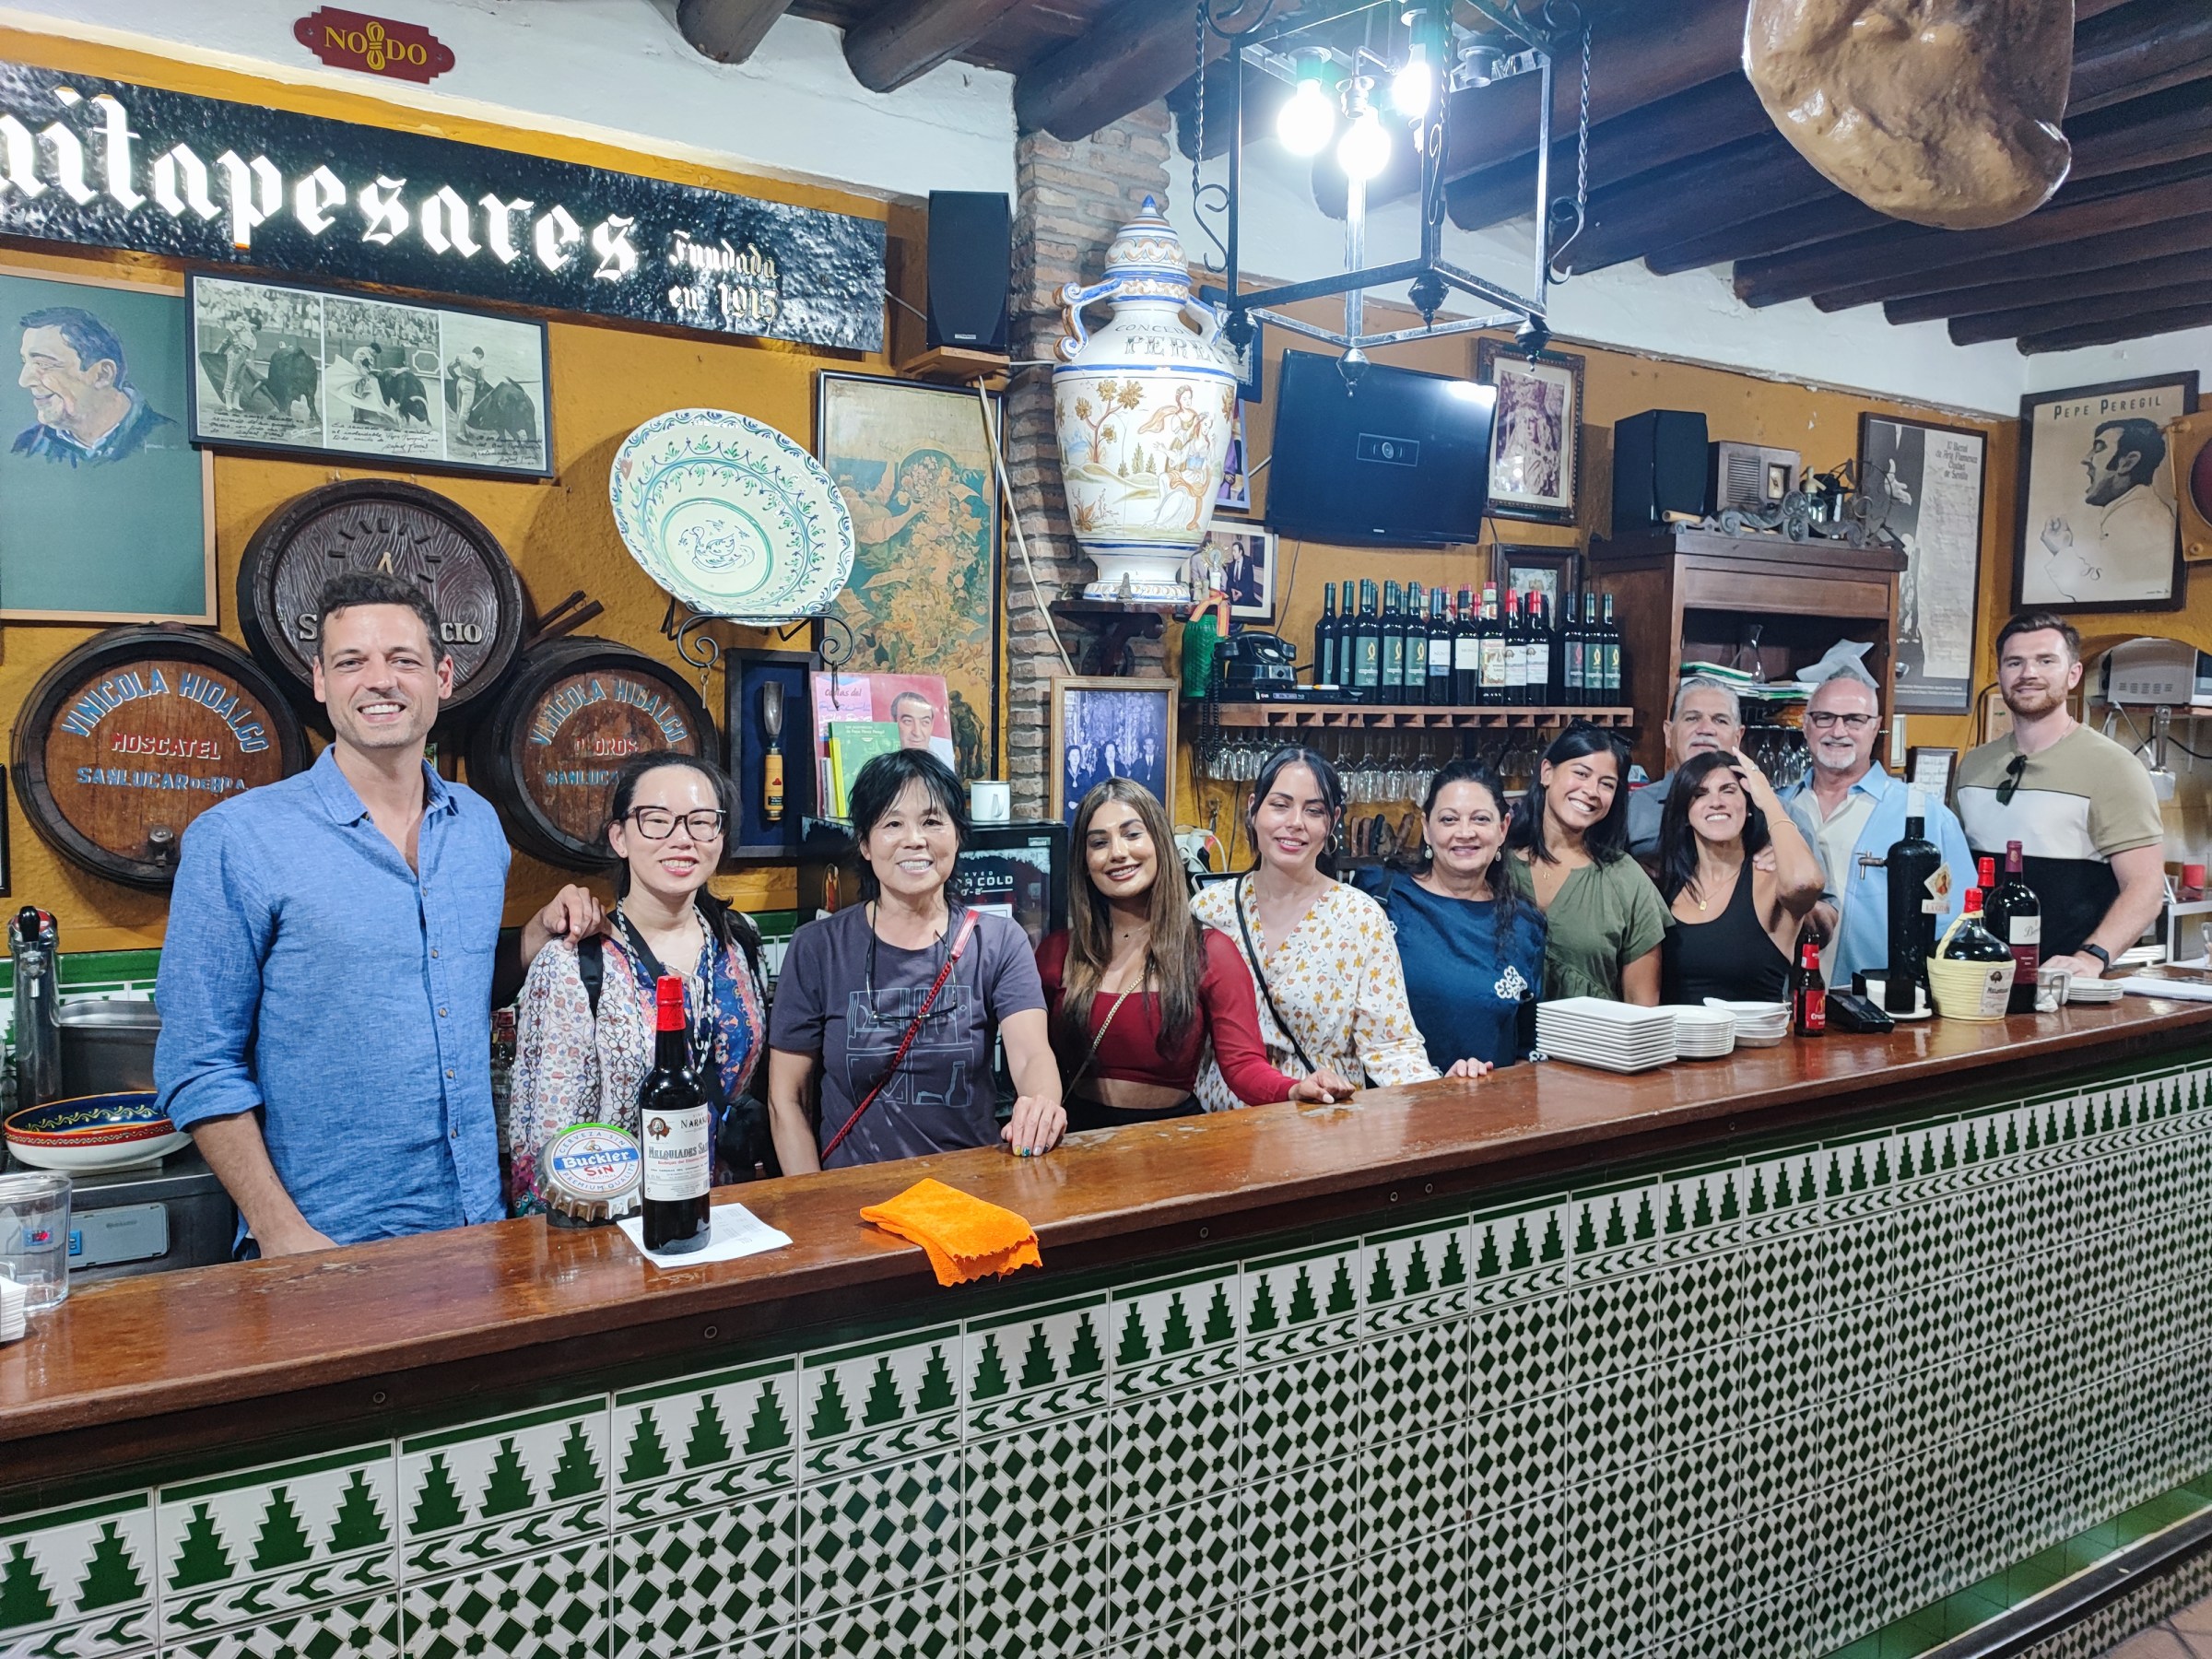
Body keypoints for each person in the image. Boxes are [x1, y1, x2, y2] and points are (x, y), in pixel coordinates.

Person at [154, 573, 601, 1255]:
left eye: (403, 660)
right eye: (351, 662)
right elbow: (197, 1065)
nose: (379, 681)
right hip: (329, 1236)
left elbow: (452, 994)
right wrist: (281, 1232)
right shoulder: (240, 839)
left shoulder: (477, 826)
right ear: (320, 682)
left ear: (443, 677)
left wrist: (534, 937)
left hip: (477, 1219)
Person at [768, 749, 1065, 1170]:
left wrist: (1039, 1107)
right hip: (855, 1202)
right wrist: (811, 1205)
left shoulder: (998, 941)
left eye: (932, 821)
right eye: (892, 823)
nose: (914, 839)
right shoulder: (818, 947)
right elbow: (786, 1099)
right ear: (865, 844)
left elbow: (1032, 1054)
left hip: (969, 1194)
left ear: (958, 835)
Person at [508, 754, 767, 1214]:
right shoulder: (574, 961)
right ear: (619, 837)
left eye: (701, 822)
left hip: (731, 1209)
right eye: (656, 821)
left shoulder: (739, 939)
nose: (681, 839)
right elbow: (547, 1142)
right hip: (623, 1218)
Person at [1038, 779, 1355, 1130]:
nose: (1117, 853)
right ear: (1084, 861)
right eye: (1099, 842)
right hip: (1076, 1144)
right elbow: (1028, 1059)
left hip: (1172, 1144)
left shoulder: (1210, 952)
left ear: (1159, 843)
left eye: (1132, 835)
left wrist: (1294, 1089)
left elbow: (1243, 1065)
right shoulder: (1057, 952)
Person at [1190, 747, 1439, 1112]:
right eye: (1280, 805)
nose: (1295, 823)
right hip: (1220, 1128)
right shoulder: (1209, 908)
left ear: (1332, 821)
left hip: (1320, 1118)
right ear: (1253, 807)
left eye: (1314, 811)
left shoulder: (1359, 918)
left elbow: (1391, 1045)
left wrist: (1441, 1103)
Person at [1957, 612, 2166, 976]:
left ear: (2073, 675)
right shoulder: (1974, 766)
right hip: (1976, 979)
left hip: (2063, 985)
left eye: (2045, 661)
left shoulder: (2113, 768)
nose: (2028, 674)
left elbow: (2145, 888)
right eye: (2014, 662)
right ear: (1999, 674)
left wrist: (2091, 957)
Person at [1781, 670, 1972, 985]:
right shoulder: (1776, 809)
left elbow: (1957, 928)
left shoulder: (1929, 818)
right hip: (1783, 1004)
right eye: (1824, 717)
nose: (1838, 730)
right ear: (1806, 725)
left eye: (1855, 719)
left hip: (1879, 1007)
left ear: (1876, 727)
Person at [1354, 759, 1545, 1071]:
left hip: (1484, 1109)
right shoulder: (1379, 896)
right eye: (1449, 819)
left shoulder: (1525, 926)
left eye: (1481, 819)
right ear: (1427, 828)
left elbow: (1528, 1050)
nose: (1465, 832)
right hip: (1386, 1108)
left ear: (1502, 829)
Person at [1508, 724, 1669, 1004]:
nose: (1591, 791)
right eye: (1581, 773)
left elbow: (1642, 1007)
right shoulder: (1496, 864)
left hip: (1591, 1045)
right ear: (1547, 772)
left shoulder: (1625, 878)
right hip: (1497, 1046)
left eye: (1606, 784)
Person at [1655, 750, 1824, 1003]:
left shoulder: (1770, 877)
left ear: (1748, 806)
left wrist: (1768, 800)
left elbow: (1804, 883)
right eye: (1700, 794)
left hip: (1754, 1041)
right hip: (1680, 1041)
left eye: (1728, 790)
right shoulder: (1666, 884)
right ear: (1685, 814)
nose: (1716, 802)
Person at [15, 306, 177, 465]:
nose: (24, 381)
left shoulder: (171, 440)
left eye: (43, 363)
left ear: (102, 374)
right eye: (25, 363)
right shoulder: (28, 445)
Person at [2038, 418, 2178, 601]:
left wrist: (2061, 551)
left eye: (2099, 448)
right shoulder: (2132, 510)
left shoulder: (2139, 521)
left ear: (2128, 463)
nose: (2086, 459)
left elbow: (2103, 593)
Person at [1626, 678, 1747, 857]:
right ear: (1669, 733)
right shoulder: (1632, 808)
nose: (1705, 729)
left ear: (1738, 737)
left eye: (1720, 720)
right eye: (1692, 718)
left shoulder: (1771, 810)